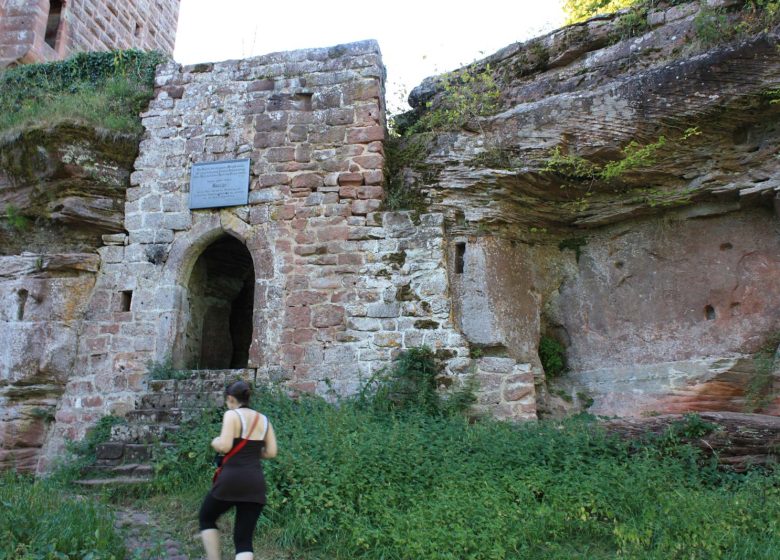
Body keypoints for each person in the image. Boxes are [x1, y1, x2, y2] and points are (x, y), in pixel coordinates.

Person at [198, 380, 277, 560]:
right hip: (255, 482)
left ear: (231, 398)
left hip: (231, 479)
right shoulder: (264, 420)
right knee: (243, 539)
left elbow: (225, 446)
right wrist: (253, 452)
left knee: (206, 517)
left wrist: (214, 442)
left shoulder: (232, 415)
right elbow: (271, 452)